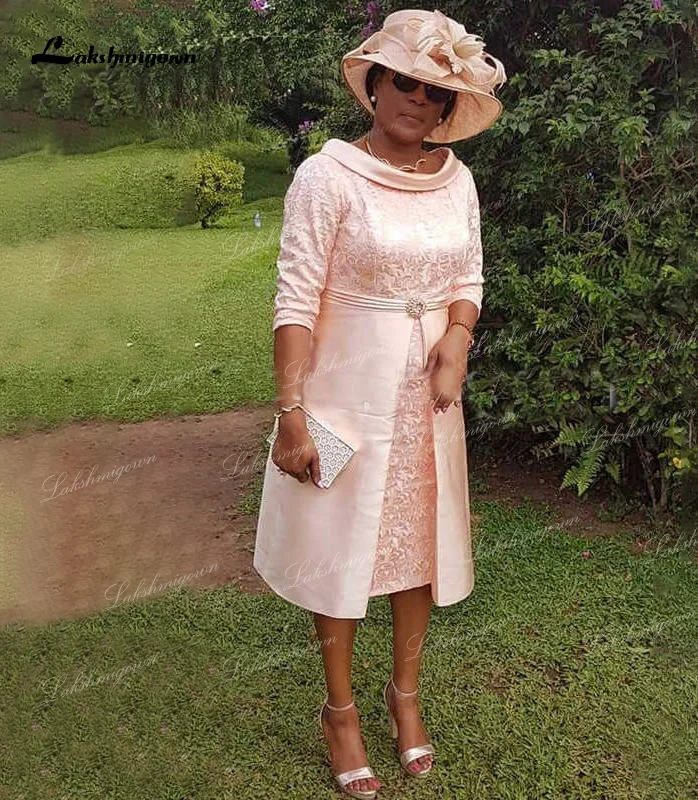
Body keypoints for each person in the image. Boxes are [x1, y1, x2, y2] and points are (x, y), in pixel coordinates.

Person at [253, 9, 505, 798]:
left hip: (428, 397)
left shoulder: (457, 181)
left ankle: (406, 696)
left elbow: (469, 275)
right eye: (404, 82)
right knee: (338, 551)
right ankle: (340, 712)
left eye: (435, 92)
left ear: (448, 107)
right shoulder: (326, 177)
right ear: (373, 85)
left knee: (417, 547)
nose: (418, 101)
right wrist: (291, 412)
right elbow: (296, 298)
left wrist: (458, 336)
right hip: (346, 391)